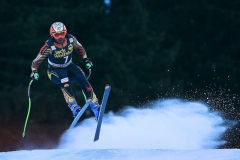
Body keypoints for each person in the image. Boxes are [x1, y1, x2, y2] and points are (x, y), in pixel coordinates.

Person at [30, 22, 100, 120]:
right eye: (57, 35)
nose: (60, 37)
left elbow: (79, 48)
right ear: (52, 35)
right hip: (54, 71)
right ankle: (73, 106)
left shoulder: (71, 39)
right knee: (64, 79)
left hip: (69, 66)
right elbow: (37, 60)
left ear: (65, 32)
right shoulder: (49, 46)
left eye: (62, 34)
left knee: (82, 77)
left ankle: (95, 106)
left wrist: (85, 60)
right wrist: (34, 71)